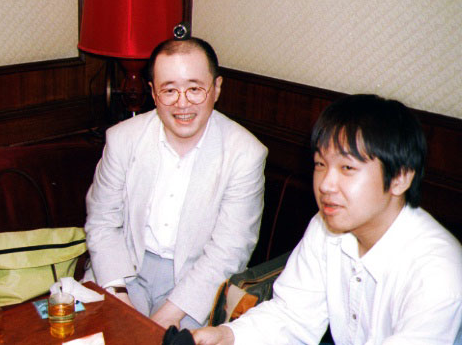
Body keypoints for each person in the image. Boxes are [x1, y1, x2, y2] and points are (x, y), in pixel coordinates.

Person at [193, 94, 462, 344]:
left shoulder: (438, 271)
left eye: (347, 167)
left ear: (400, 178)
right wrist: (227, 335)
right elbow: (292, 314)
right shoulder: (326, 225)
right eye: (320, 164)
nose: (325, 185)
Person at [83, 37, 268, 330]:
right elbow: (102, 222)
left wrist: (160, 322)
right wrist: (119, 298)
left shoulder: (245, 154)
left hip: (196, 282)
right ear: (153, 93)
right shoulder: (122, 139)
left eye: (195, 89)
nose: (182, 103)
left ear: (217, 88)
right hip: (123, 268)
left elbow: (229, 250)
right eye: (169, 90)